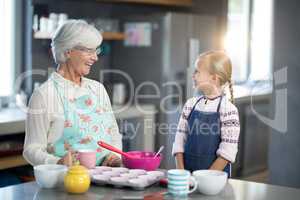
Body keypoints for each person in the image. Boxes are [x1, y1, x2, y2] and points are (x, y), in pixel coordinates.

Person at [23, 20, 122, 167]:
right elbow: (31, 150)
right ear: (68, 51)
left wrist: (114, 155)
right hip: (67, 181)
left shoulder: (97, 89)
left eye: (96, 50)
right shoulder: (44, 95)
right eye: (89, 51)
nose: (95, 57)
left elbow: (114, 133)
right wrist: (58, 162)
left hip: (105, 179)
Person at [172, 50, 240, 176]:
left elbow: (227, 153)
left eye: (197, 71)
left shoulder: (228, 110)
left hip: (214, 181)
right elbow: (179, 143)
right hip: (188, 178)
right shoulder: (190, 105)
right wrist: (181, 174)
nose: (193, 75)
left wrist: (204, 179)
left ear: (214, 78)